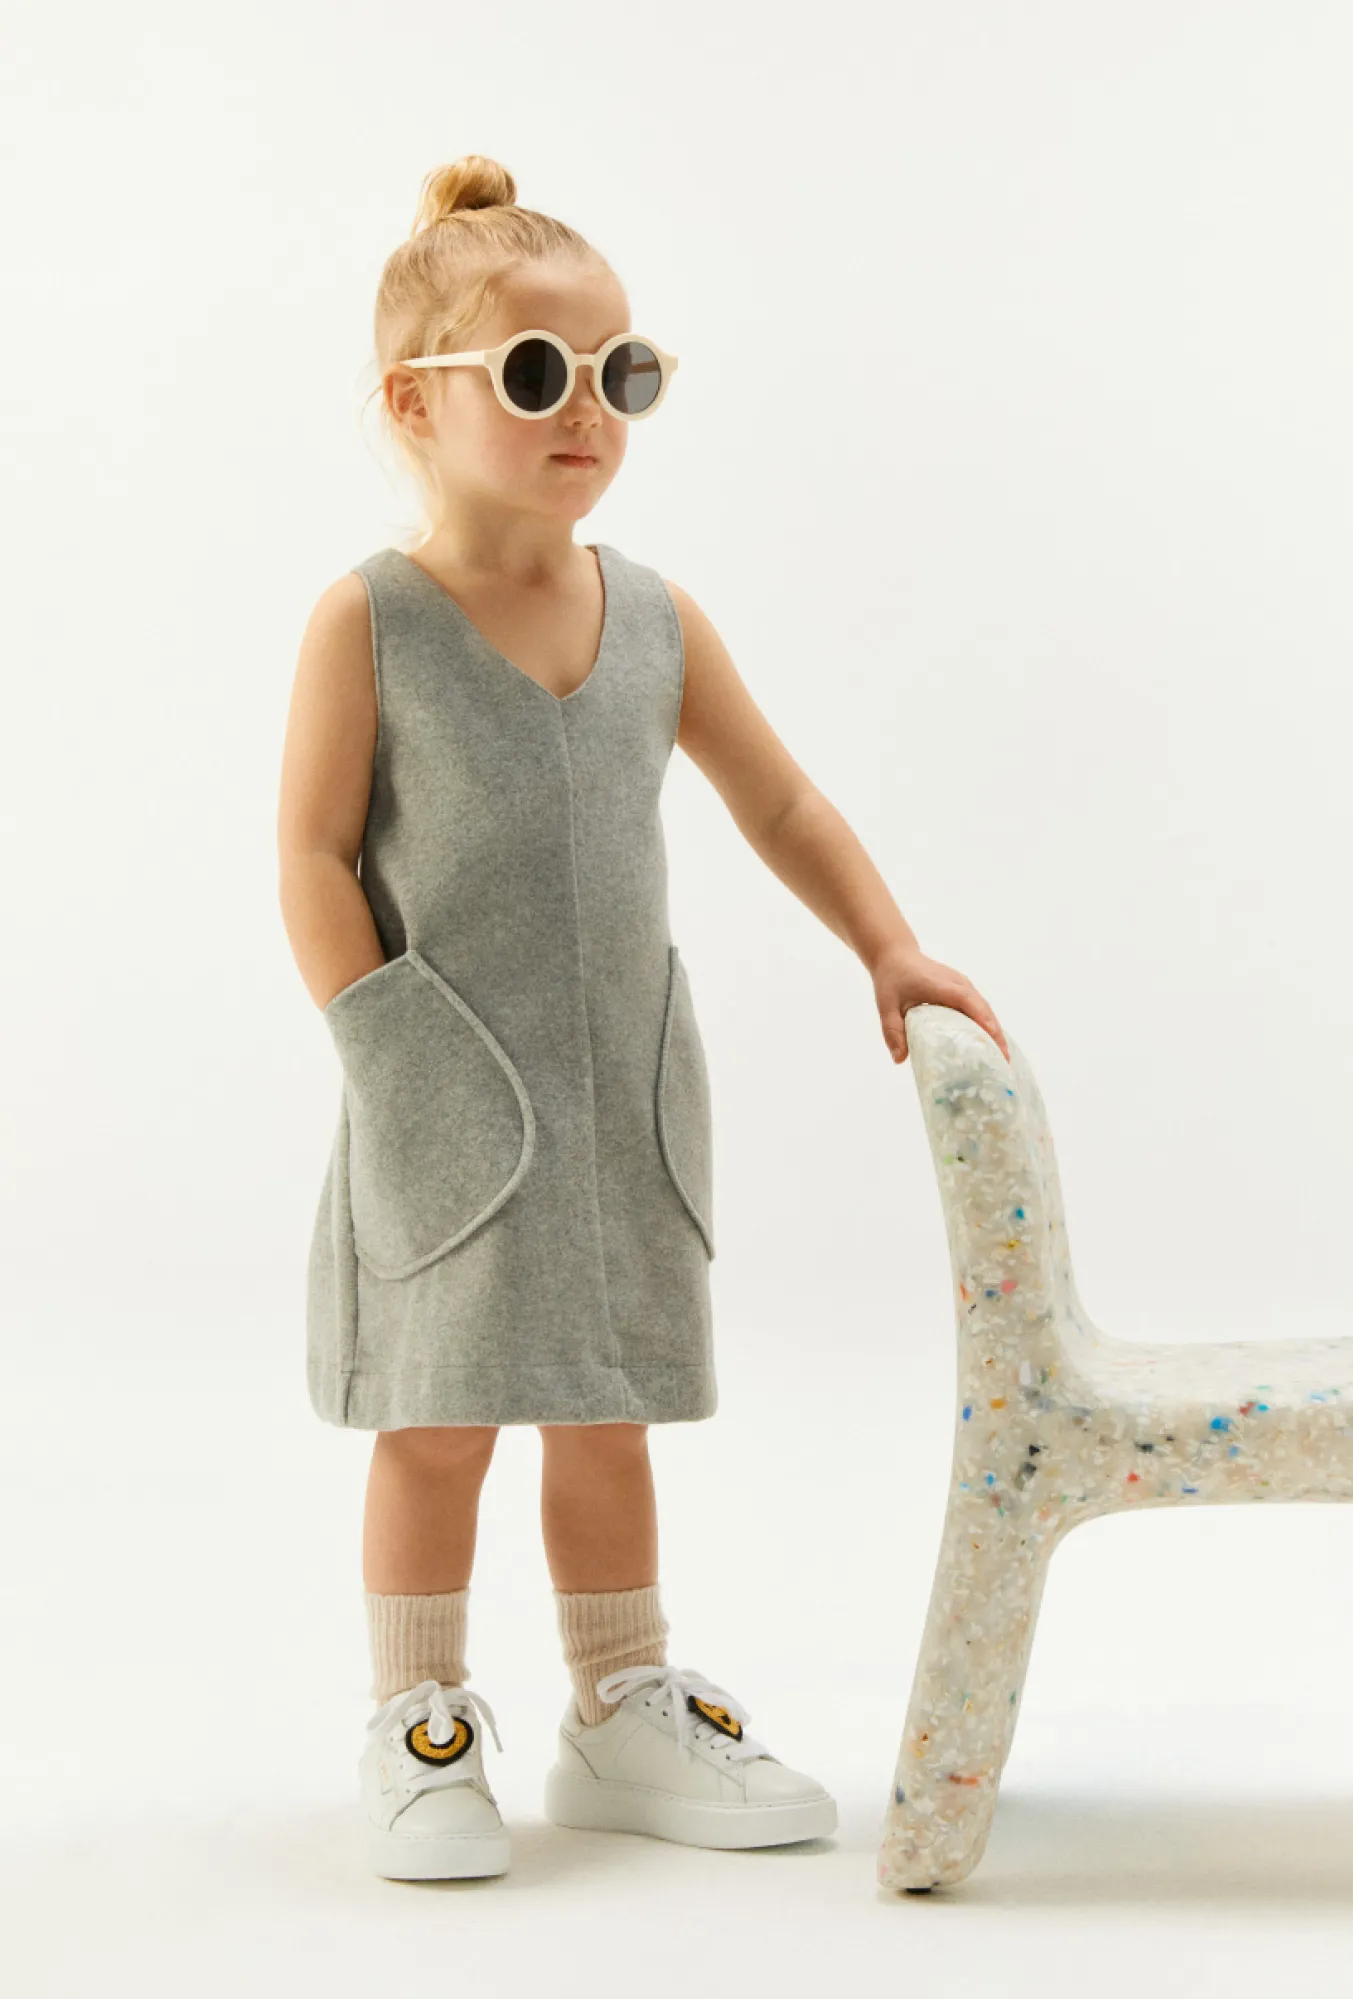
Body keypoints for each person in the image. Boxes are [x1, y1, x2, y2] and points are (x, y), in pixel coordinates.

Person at [277, 152, 1009, 1882]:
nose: (588, 410)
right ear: (415, 401)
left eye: (624, 372)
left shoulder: (658, 619)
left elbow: (782, 803)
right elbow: (310, 854)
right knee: (438, 1415)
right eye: (537, 372)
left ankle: (618, 1707)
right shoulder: (371, 620)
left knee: (602, 1408)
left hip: (623, 1090)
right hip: (442, 1087)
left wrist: (889, 948)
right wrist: (387, 1045)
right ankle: (420, 1715)